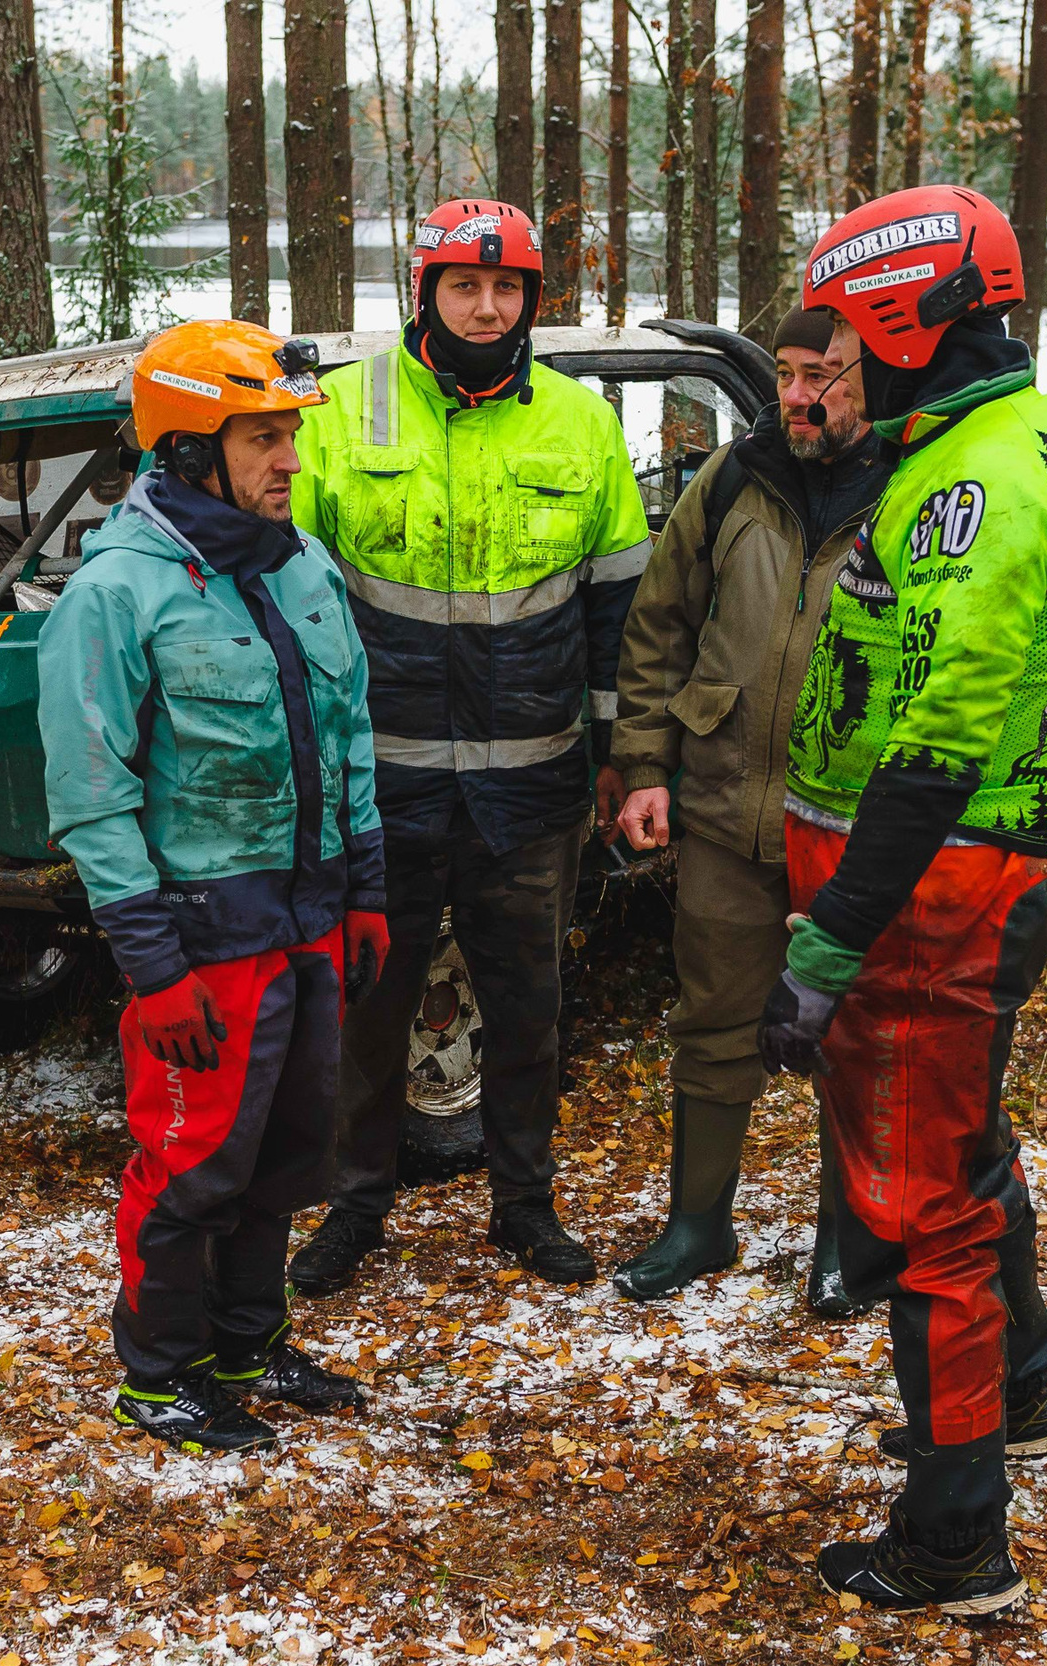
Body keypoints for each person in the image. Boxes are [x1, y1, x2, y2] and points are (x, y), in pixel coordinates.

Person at [755, 187, 1047, 1613]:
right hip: (972, 864)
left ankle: (954, 1533)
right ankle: (1019, 1395)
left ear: (908, 314)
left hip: (932, 888)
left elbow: (936, 737)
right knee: (972, 1146)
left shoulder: (977, 480)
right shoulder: (1024, 429)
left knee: (925, 1208)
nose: (832, 364)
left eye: (845, 335)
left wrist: (832, 940)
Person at [285, 200, 651, 1291]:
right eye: (463, 287)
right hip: (379, 790)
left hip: (533, 791)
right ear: (424, 293)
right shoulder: (342, 410)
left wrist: (620, 755)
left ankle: (523, 1204)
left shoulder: (580, 423)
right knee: (366, 1011)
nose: (486, 308)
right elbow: (293, 601)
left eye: (506, 290)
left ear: (530, 299)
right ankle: (354, 1205)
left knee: (530, 1010)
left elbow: (616, 605)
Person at [41, 320, 389, 1454]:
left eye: (291, 432)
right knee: (191, 1168)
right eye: (262, 436)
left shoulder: (301, 564)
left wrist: (367, 889)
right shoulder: (119, 594)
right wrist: (154, 965)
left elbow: (346, 736)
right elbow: (92, 799)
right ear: (190, 447)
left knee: (283, 1160)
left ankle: (247, 1345)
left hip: (308, 922)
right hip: (202, 943)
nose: (290, 458)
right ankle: (157, 1374)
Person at [608, 305, 899, 1308]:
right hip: (726, 808)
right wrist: (646, 762)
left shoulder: (920, 490)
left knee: (853, 1036)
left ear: (878, 376)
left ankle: (845, 1242)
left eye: (827, 373)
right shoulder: (733, 479)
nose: (802, 394)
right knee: (713, 1018)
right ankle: (697, 1225)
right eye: (784, 373)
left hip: (855, 827)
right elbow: (659, 625)